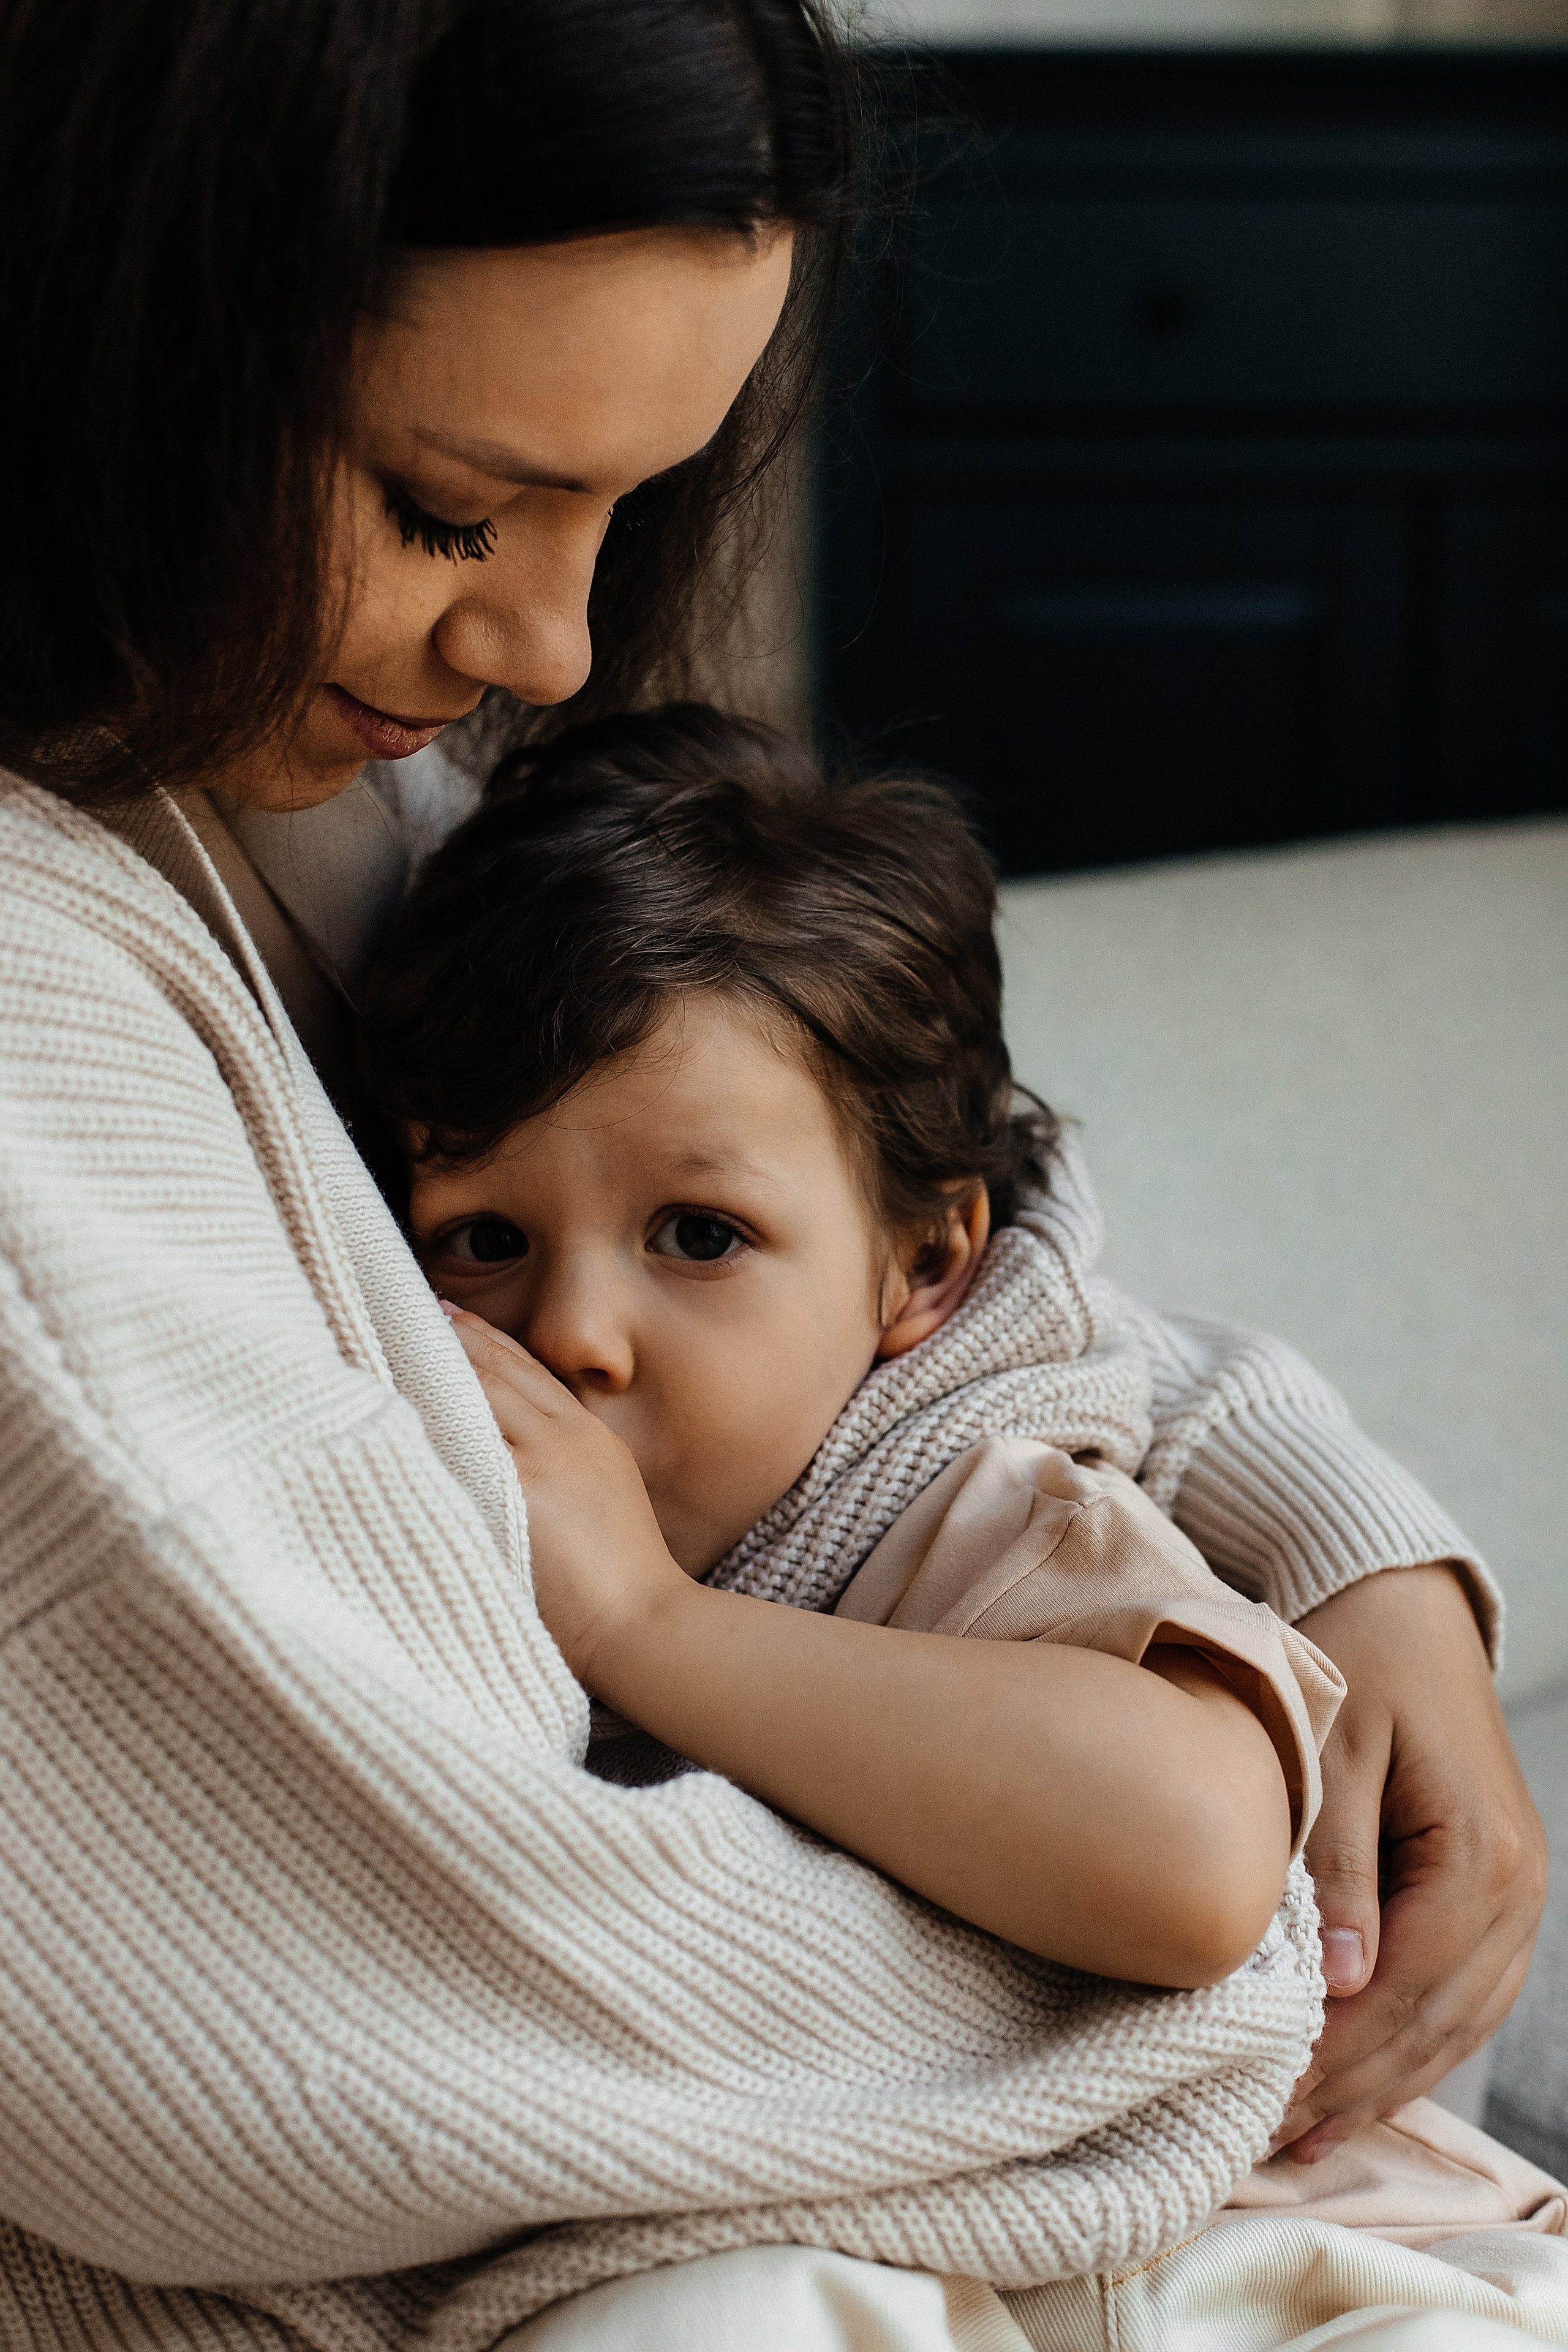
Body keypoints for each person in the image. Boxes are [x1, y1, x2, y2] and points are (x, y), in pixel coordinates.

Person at [0, 2, 1547, 2346]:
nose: (551, 643)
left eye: (622, 501)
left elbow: (976, 1265)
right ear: (109, 329)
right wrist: (1222, 2019)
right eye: (448, 505)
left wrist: (1342, 1539)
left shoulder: (314, 780)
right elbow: (355, 2032)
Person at [358, 699, 1568, 2334]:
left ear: (923, 1267)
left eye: (699, 1235)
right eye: (482, 1234)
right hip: (898, 2250)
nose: (572, 1332)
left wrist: (652, 1626)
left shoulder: (976, 1496)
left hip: (1272, 2224)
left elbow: (1203, 1852)